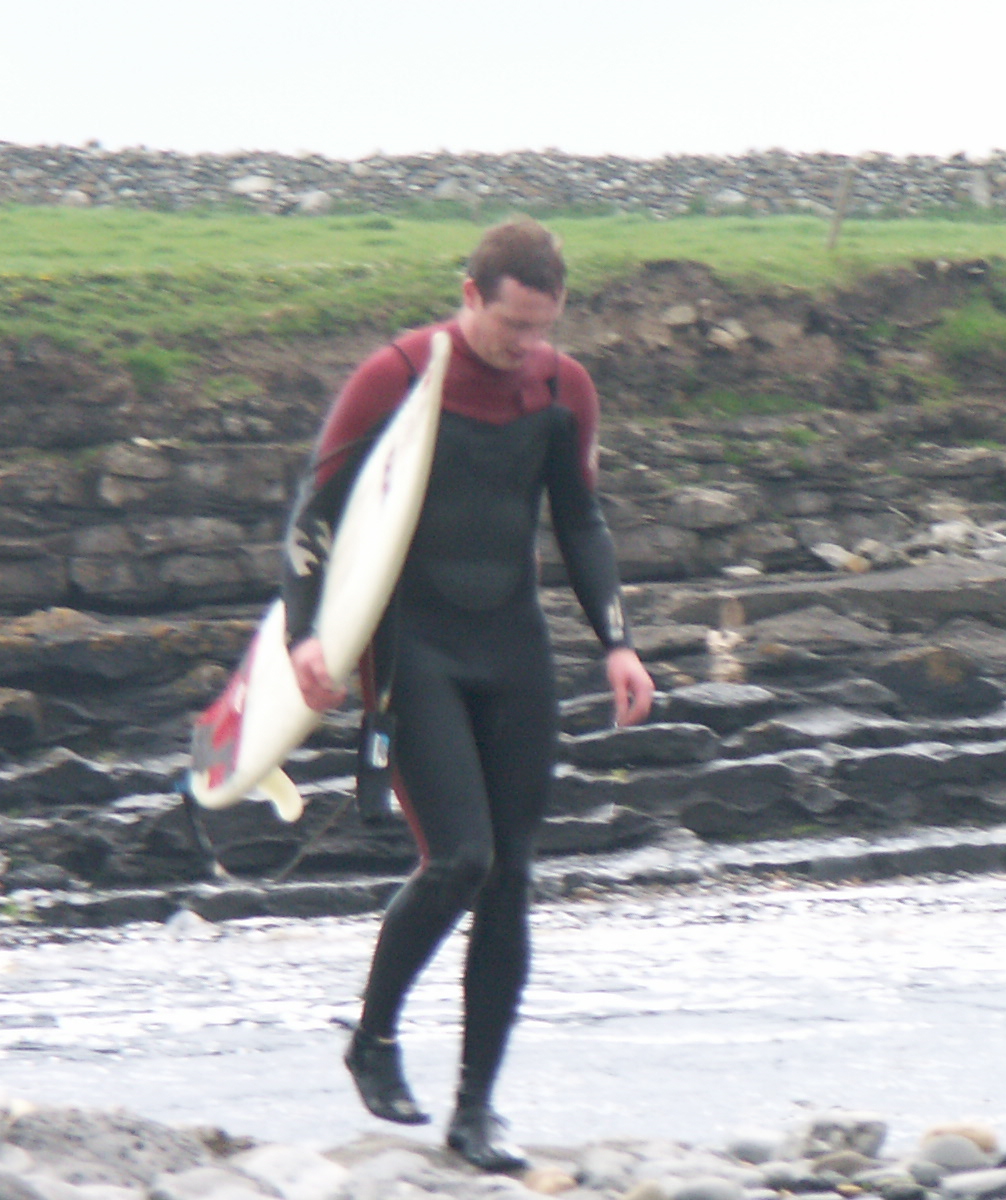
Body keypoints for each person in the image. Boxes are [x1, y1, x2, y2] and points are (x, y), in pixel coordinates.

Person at [280, 219, 655, 1172]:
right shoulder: (398, 376)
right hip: (415, 650)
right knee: (460, 859)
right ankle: (373, 1037)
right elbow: (314, 515)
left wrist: (617, 643)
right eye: (508, 327)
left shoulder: (563, 390)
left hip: (514, 648)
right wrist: (306, 638)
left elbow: (581, 518)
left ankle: (477, 1111)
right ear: (470, 294)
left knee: (513, 883)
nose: (522, 346)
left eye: (539, 329)